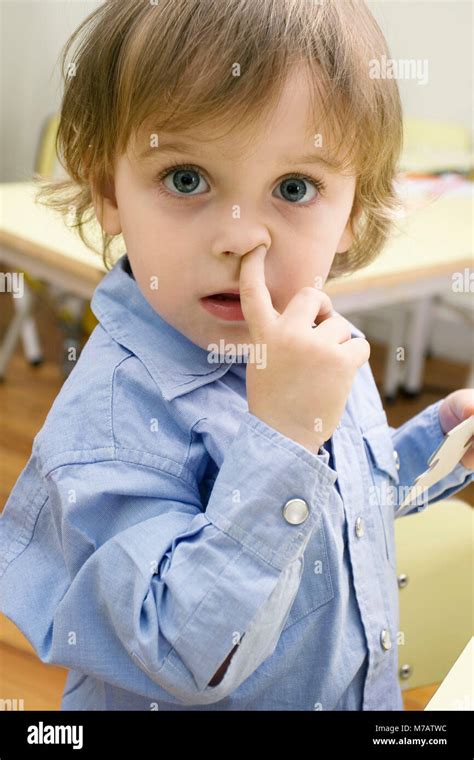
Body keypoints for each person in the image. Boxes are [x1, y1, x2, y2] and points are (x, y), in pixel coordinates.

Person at [1, 0, 473, 711]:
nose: (242, 239)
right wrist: (281, 439)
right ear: (109, 193)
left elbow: (336, 507)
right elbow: (175, 651)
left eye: (294, 188)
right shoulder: (114, 416)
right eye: (186, 178)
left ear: (350, 214)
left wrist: (440, 450)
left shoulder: (314, 341)